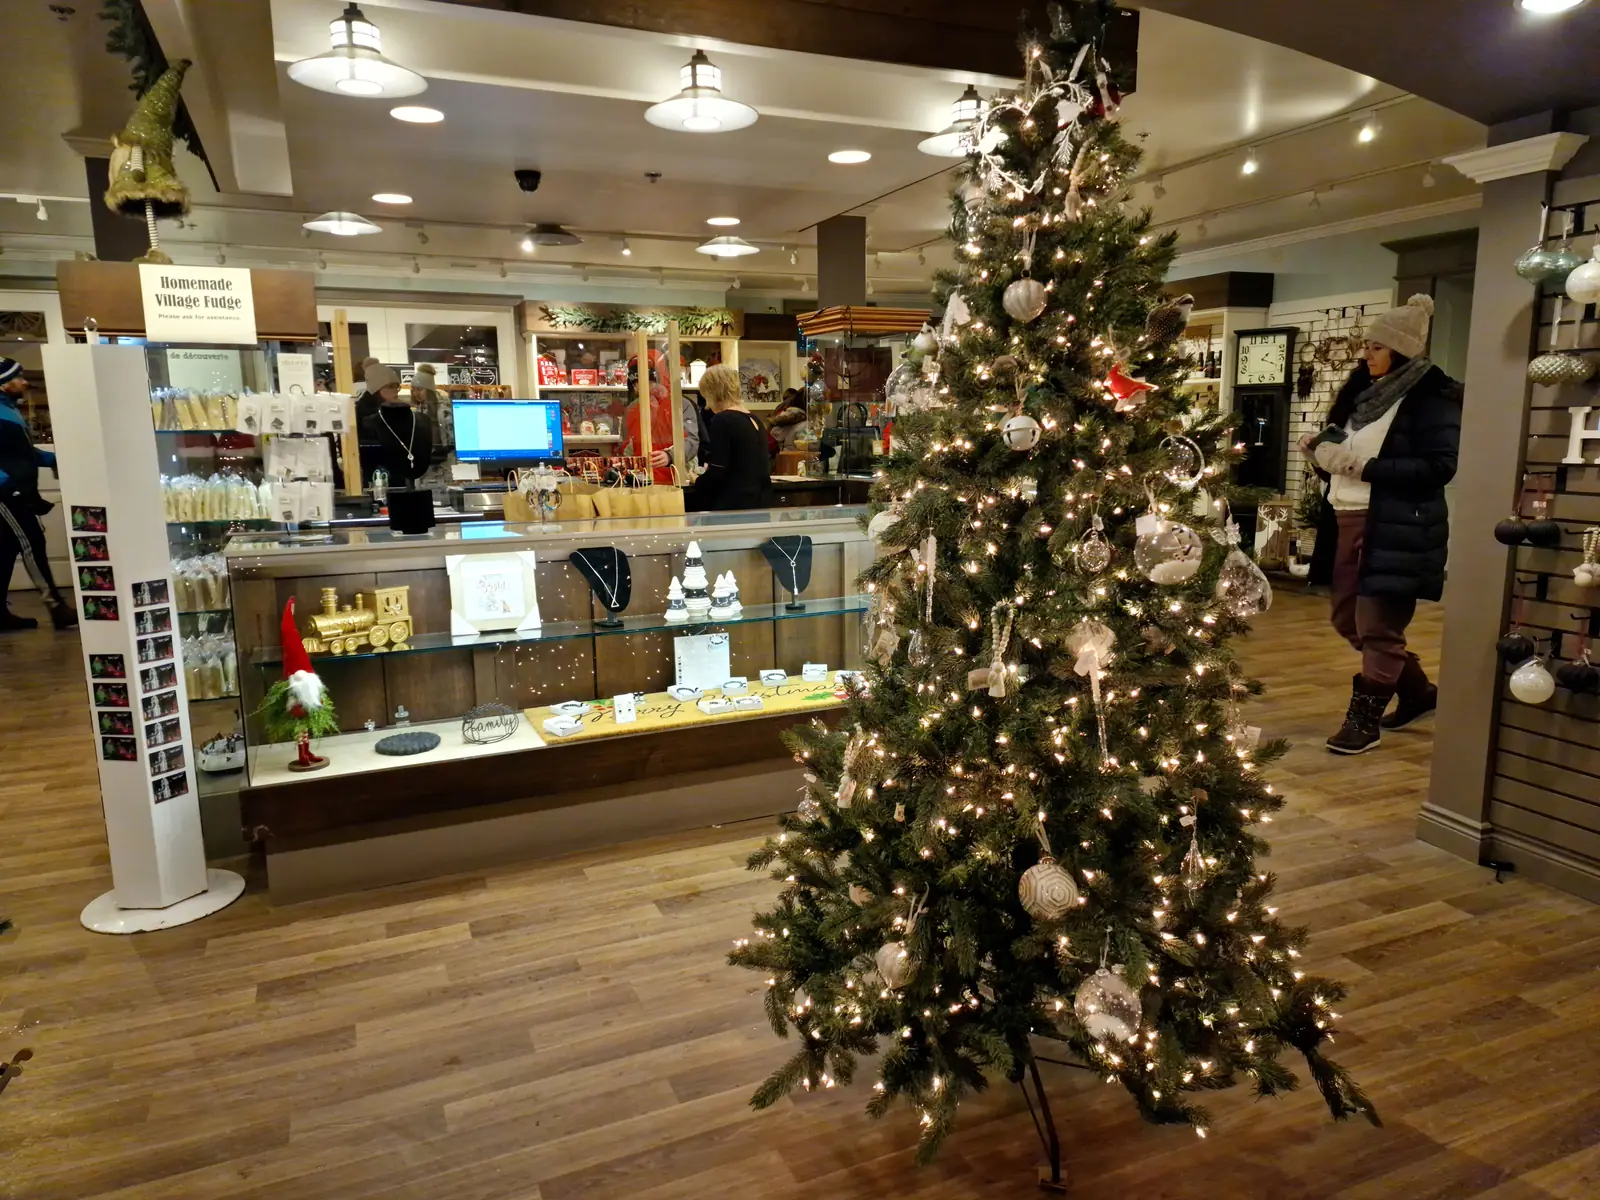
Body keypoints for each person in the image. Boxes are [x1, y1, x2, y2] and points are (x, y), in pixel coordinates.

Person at [1301, 294, 1460, 756]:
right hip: (1345, 521)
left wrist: (1359, 466)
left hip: (1394, 526)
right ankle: (1416, 690)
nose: (1365, 354)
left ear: (1402, 349)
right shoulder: (1363, 395)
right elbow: (1343, 458)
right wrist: (1321, 456)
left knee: (1376, 624)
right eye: (1366, 345)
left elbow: (1438, 468)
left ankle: (1363, 722)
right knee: (1346, 618)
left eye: (1375, 346)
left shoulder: (1433, 399)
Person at [0, 358, 76, 631]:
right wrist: (6, 483)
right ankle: (55, 606)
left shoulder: (9, 411)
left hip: (17, 489)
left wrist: (57, 459)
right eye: (18, 377)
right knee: (32, 540)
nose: (24, 382)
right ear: (4, 383)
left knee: (7, 549)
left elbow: (23, 455)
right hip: (7, 493)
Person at [686, 363, 773, 512]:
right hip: (761, 503)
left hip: (734, 506)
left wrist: (698, 480)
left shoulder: (723, 420)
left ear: (713, 393)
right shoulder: (754, 419)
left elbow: (718, 470)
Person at [624, 351, 700, 482]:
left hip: (676, 478)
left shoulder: (681, 405)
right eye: (636, 384)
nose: (641, 388)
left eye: (648, 383)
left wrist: (670, 455)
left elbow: (691, 441)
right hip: (643, 481)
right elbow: (626, 446)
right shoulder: (632, 409)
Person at [358, 364, 434, 488]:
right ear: (377, 388)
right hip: (380, 483)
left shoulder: (416, 418)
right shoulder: (366, 419)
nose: (396, 391)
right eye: (391, 386)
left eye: (397, 387)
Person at [768, 388, 809, 461]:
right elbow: (809, 448)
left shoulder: (783, 414)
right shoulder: (805, 423)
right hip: (795, 462)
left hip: (780, 461)